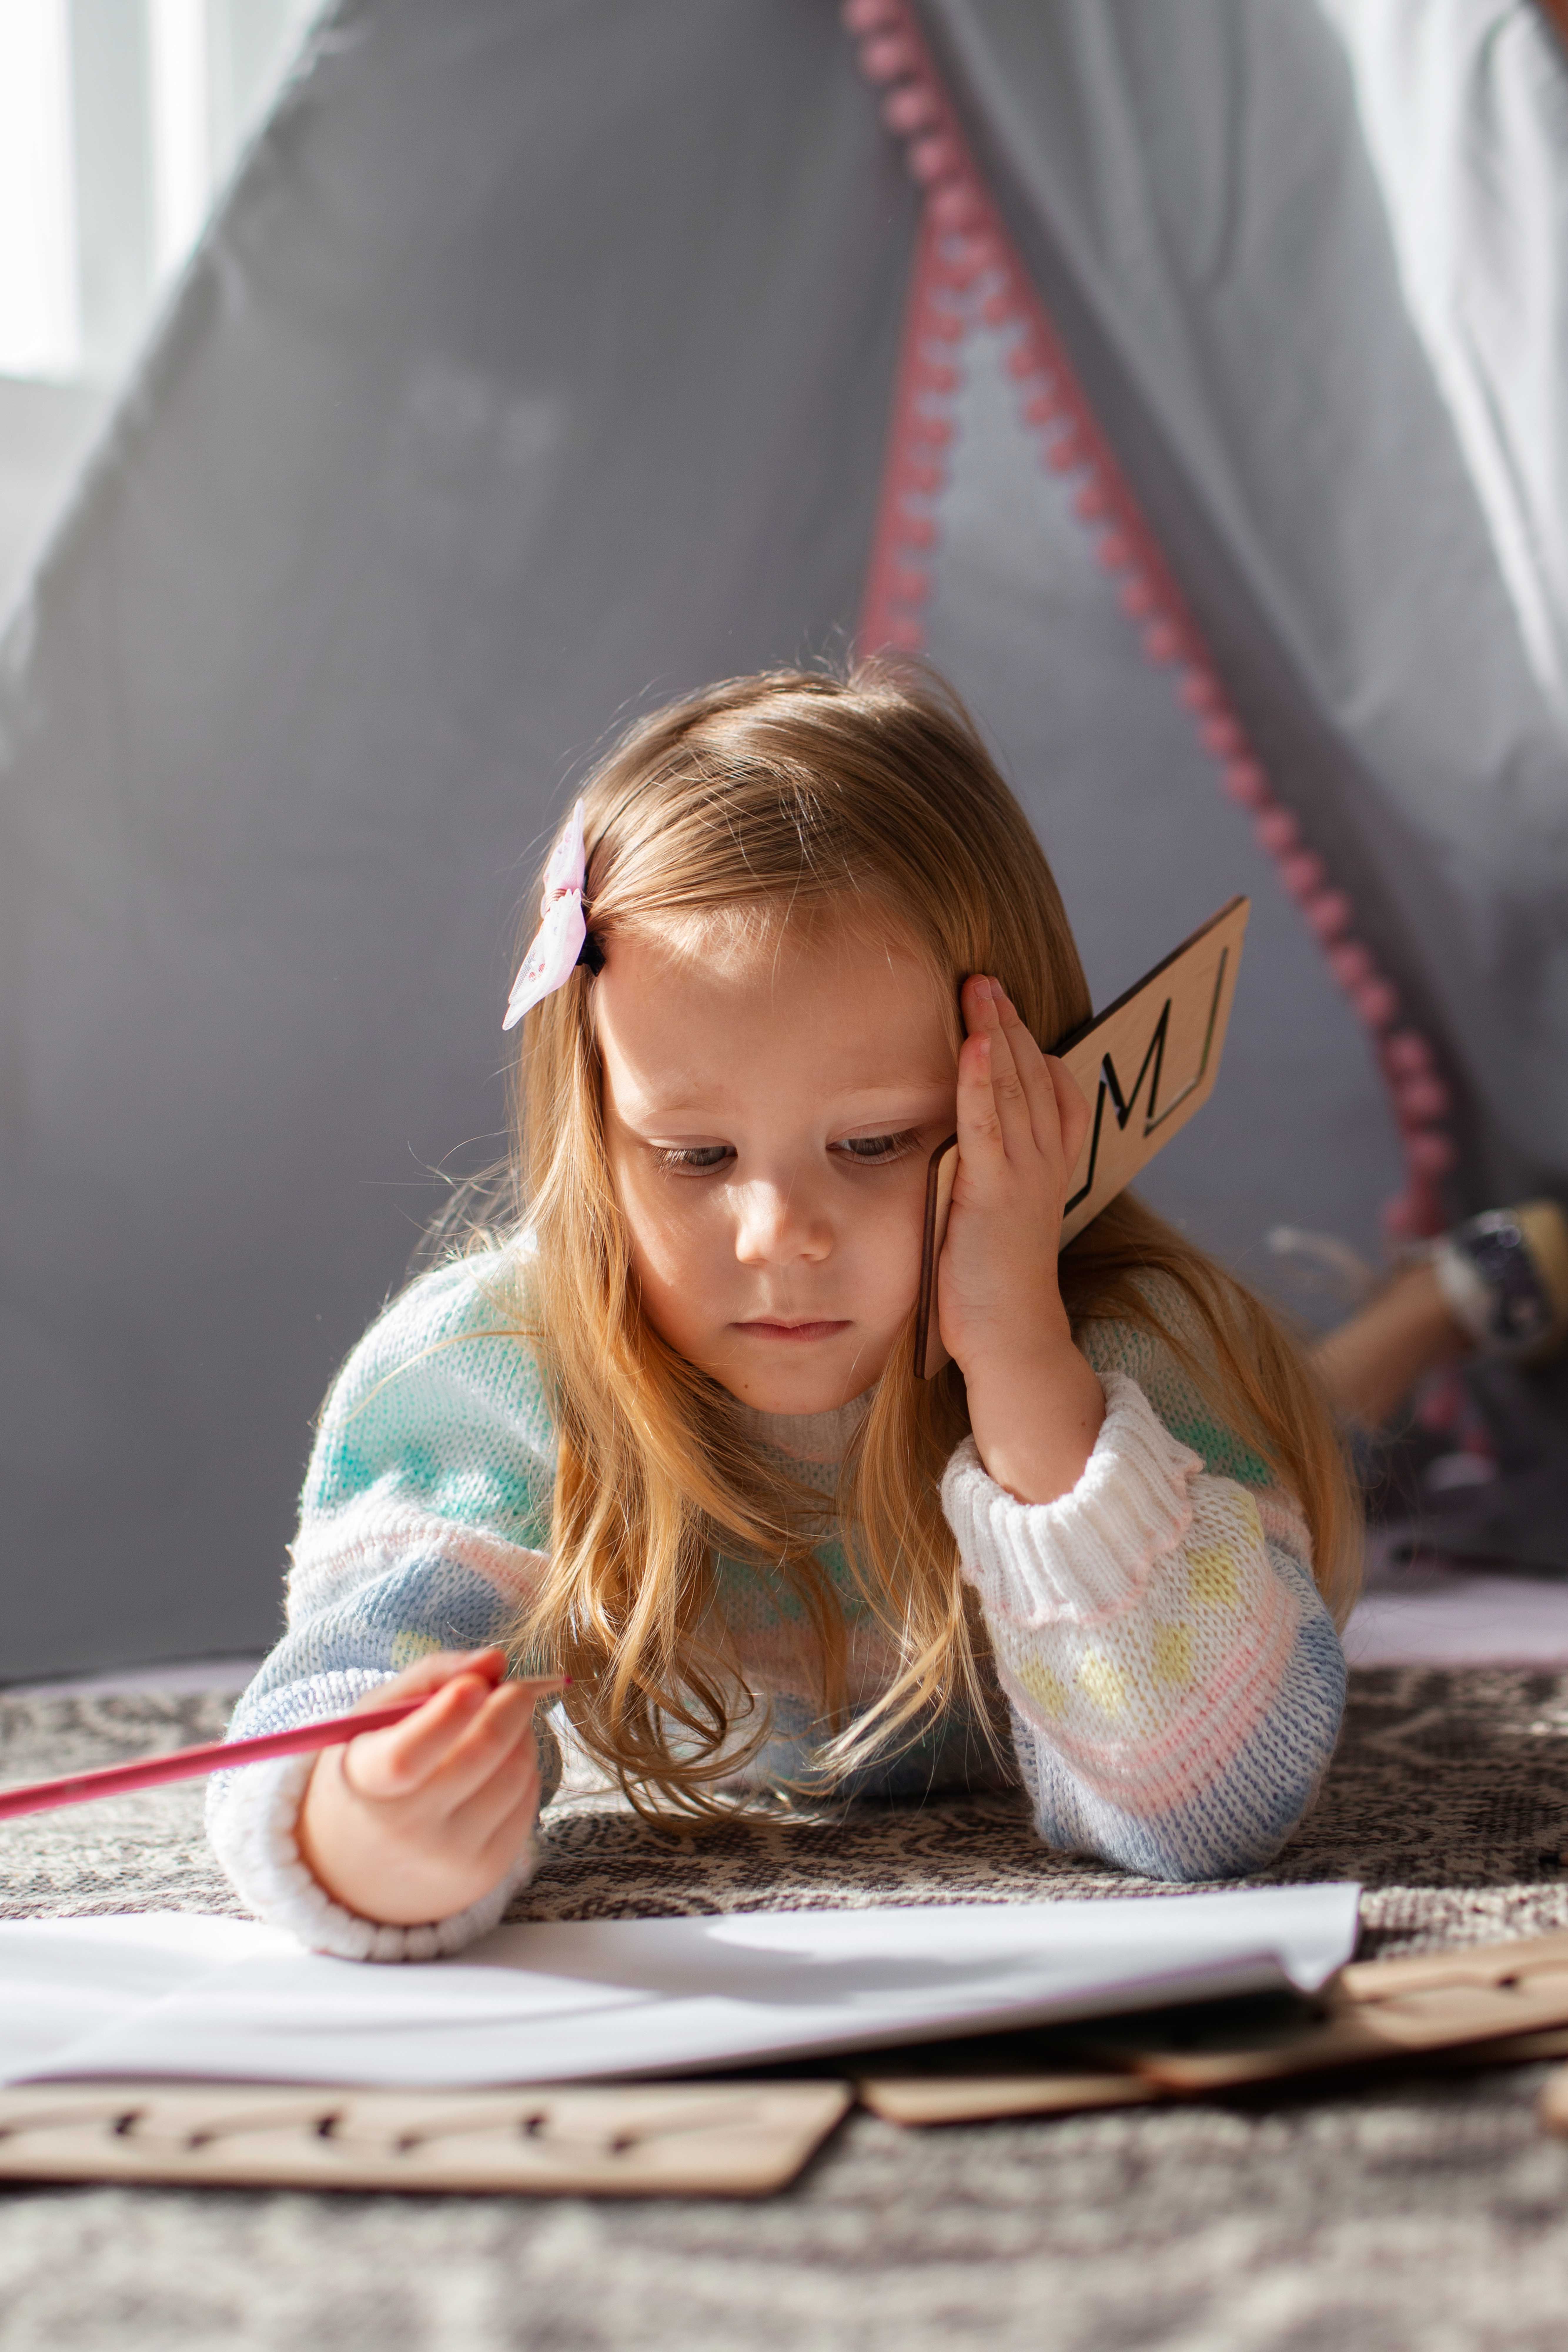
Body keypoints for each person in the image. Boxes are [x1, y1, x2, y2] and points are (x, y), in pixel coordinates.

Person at [205, 663, 1564, 1961]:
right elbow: (333, 1699)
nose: (777, 1232)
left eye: (872, 1144)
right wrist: (366, 1828)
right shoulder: (489, 1380)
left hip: (1162, 1418)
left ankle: (1442, 1292)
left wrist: (1023, 1358)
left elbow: (1204, 1811)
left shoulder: (1130, 1355)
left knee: (1321, 1423)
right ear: (592, 1134)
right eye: (693, 1156)